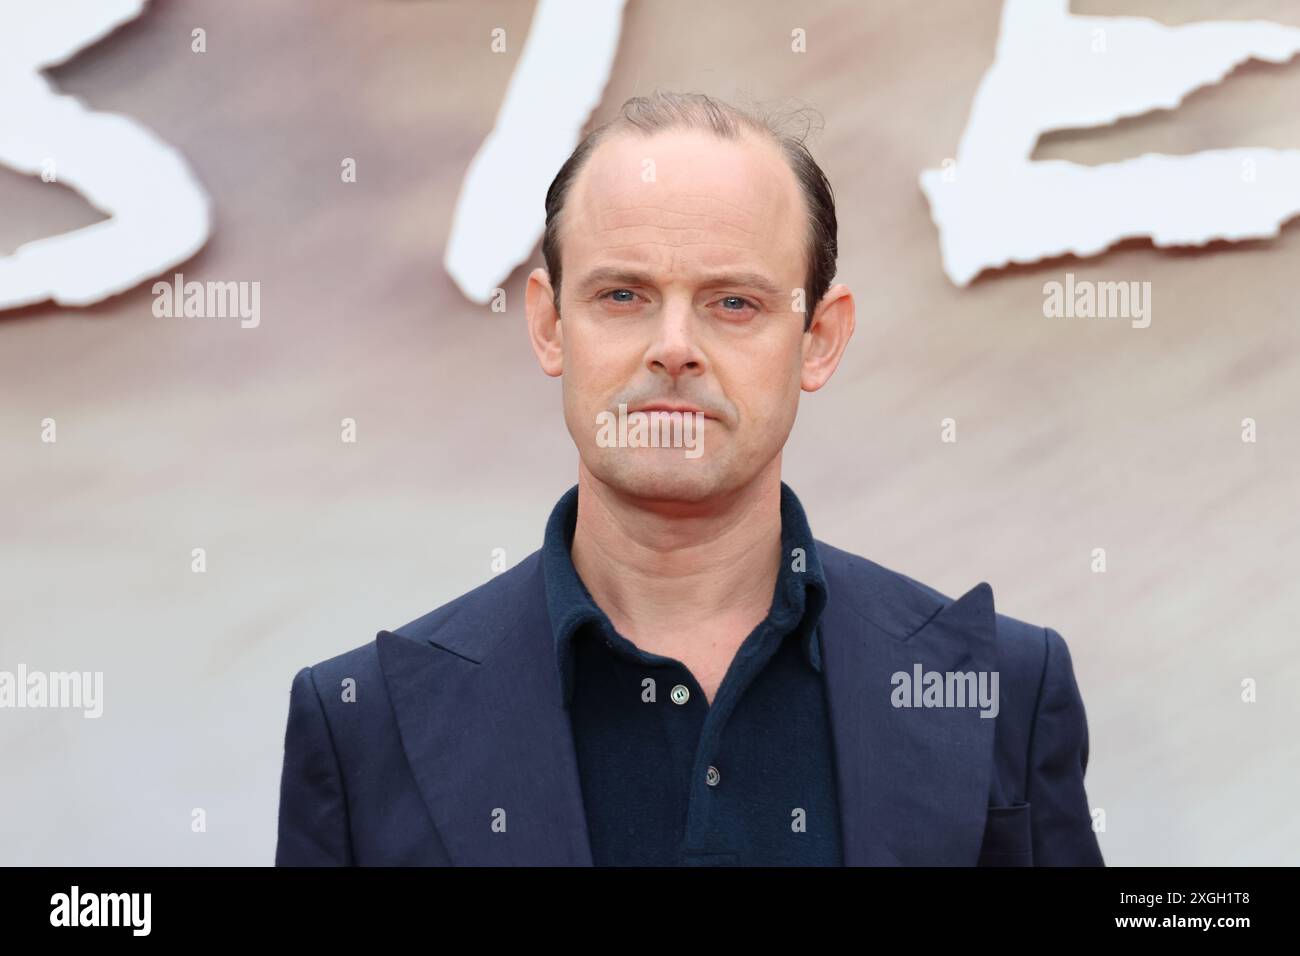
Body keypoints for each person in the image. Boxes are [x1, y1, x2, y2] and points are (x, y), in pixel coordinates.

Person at [275, 90, 1103, 866]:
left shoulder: (999, 692)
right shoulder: (362, 722)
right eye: (624, 295)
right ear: (549, 323)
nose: (674, 346)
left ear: (818, 338)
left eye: (733, 302)